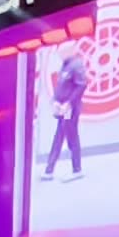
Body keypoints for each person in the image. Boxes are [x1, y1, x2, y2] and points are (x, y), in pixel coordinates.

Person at [42, 43, 88, 181]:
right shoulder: (65, 65)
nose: (60, 54)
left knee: (71, 138)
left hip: (70, 109)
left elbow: (81, 85)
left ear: (70, 50)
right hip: (61, 108)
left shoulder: (77, 65)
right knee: (58, 138)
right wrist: (55, 101)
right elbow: (61, 86)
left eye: (62, 51)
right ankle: (49, 170)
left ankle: (77, 169)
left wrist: (68, 104)